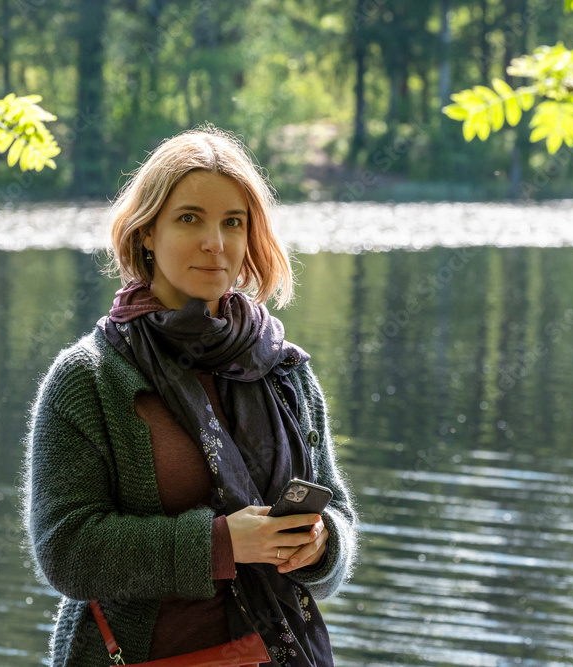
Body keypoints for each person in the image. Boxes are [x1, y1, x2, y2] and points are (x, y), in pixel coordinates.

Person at [20, 125, 359, 667]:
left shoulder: (284, 370)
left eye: (233, 222)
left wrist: (322, 544)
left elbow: (335, 510)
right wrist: (222, 544)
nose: (215, 242)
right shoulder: (88, 378)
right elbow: (65, 551)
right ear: (146, 232)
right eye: (189, 218)